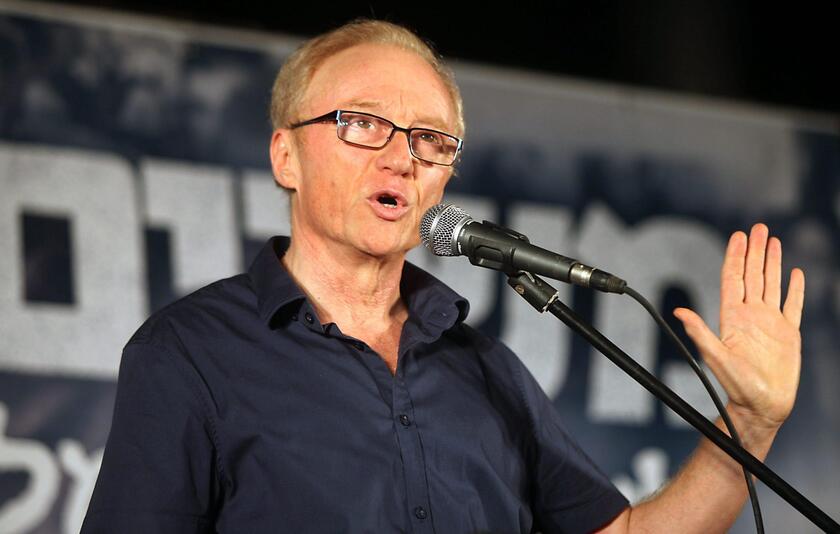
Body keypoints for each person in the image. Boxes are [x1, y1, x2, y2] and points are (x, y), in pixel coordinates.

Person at [81, 19, 806, 534]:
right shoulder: (188, 353)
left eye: (432, 139)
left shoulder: (487, 369)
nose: (401, 157)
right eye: (361, 123)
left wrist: (746, 423)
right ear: (285, 158)